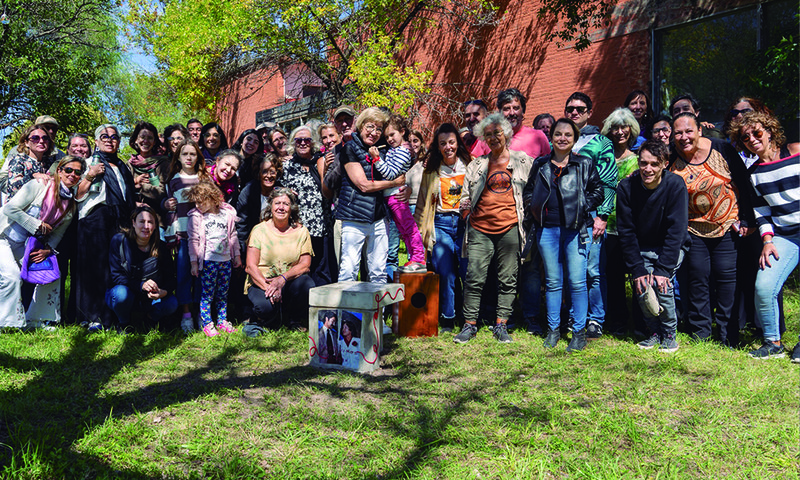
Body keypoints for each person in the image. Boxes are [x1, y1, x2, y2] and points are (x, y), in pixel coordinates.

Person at [670, 112, 754, 345]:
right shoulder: (670, 157)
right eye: (678, 132)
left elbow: (744, 184)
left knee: (727, 280)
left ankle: (729, 334)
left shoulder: (722, 149)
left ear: (699, 130)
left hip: (727, 226)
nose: (684, 137)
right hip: (693, 229)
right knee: (697, 279)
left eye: (689, 131)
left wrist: (748, 221)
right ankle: (700, 333)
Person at [523, 118, 602, 352]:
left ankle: (578, 332)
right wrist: (534, 206)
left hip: (575, 229)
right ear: (552, 137)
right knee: (553, 283)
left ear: (574, 138)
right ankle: (554, 330)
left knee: (577, 282)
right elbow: (529, 190)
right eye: (558, 134)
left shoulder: (583, 163)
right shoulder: (541, 164)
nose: (562, 138)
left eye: (568, 134)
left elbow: (598, 190)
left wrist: (582, 205)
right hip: (547, 230)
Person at [453, 113, 534, 344]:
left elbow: (532, 191)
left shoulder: (523, 161)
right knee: (474, 277)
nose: (493, 138)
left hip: (510, 227)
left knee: (508, 278)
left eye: (497, 133)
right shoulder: (477, 164)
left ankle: (501, 324)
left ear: (506, 133)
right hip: (480, 228)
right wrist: (466, 212)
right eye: (487, 135)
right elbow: (466, 196)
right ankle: (469, 324)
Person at [728, 111, 800, 360]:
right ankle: (773, 343)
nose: (752, 139)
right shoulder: (754, 173)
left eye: (757, 132)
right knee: (764, 285)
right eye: (746, 137)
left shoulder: (796, 152)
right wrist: (767, 242)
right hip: (784, 234)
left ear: (770, 132)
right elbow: (762, 212)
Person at [616, 140, 690, 352]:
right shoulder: (626, 188)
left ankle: (669, 334)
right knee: (642, 286)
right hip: (641, 247)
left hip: (670, 247)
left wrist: (663, 269)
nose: (648, 169)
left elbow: (677, 230)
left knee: (661, 285)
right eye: (643, 163)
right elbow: (626, 231)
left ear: (665, 164)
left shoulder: (675, 185)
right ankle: (654, 331)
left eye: (654, 164)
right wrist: (638, 268)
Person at [0, 156, 84, 329]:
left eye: (77, 172)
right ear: (59, 170)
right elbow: (10, 208)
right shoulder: (39, 186)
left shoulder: (71, 204)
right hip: (4, 238)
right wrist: (36, 225)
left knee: (51, 275)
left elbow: (57, 234)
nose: (72, 175)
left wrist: (48, 250)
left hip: (27, 245)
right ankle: (7, 323)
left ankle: (37, 320)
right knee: (12, 276)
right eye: (68, 170)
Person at [564, 91, 618, 339]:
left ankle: (596, 319)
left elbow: (609, 182)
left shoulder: (601, 142)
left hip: (592, 213)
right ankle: (576, 317)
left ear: (589, 112)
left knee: (593, 269)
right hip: (564, 215)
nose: (574, 112)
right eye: (570, 109)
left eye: (579, 109)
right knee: (571, 269)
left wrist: (603, 216)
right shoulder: (562, 139)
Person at [74, 124, 136, 331]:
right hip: (95, 219)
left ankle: (115, 316)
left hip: (120, 218)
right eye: (104, 136)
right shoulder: (86, 163)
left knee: (116, 267)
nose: (110, 140)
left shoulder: (123, 166)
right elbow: (76, 194)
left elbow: (130, 196)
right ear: (97, 142)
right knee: (94, 268)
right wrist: (90, 175)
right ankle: (93, 317)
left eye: (114, 136)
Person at [337, 108, 404, 285]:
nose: (374, 133)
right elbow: (363, 185)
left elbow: (400, 170)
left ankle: (376, 313)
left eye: (379, 129)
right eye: (370, 127)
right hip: (354, 216)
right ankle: (346, 312)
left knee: (378, 271)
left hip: (380, 217)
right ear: (360, 126)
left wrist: (406, 187)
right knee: (349, 269)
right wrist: (393, 183)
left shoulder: (384, 149)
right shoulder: (350, 148)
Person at [414, 123, 471, 328]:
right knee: (445, 272)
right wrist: (421, 235)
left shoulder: (469, 165)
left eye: (451, 142)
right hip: (441, 224)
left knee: (467, 272)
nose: (448, 147)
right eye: (443, 143)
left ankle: (469, 318)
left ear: (458, 143)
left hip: (465, 225)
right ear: (438, 147)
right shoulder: (431, 172)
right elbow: (421, 205)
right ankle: (448, 316)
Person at [243, 188, 316, 335]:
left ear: (292, 208)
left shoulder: (301, 232)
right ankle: (261, 318)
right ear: (271, 206)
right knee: (265, 308)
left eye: (286, 204)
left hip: (288, 282)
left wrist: (282, 279)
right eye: (277, 203)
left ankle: (293, 319)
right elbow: (250, 267)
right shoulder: (259, 230)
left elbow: (305, 265)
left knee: (307, 284)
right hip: (261, 282)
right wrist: (269, 289)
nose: (281, 207)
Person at [599, 107, 641, 336]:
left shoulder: (638, 161)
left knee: (635, 276)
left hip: (631, 227)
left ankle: (640, 322)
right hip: (606, 226)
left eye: (624, 127)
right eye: (615, 127)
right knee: (613, 277)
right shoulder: (602, 160)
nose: (620, 132)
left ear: (631, 129)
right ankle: (616, 322)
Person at [279, 125, 337, 285]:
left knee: (323, 271)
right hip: (297, 228)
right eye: (299, 140)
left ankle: (325, 307)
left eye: (307, 140)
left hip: (322, 226)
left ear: (312, 143)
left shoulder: (320, 161)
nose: (303, 143)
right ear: (293, 143)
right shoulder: (286, 167)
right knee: (301, 271)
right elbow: (274, 188)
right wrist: (285, 190)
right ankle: (303, 307)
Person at [106, 205, 178, 333]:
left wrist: (164, 291)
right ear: (133, 223)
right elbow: (116, 276)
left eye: (150, 222)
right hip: (125, 292)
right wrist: (141, 285)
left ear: (155, 226)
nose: (146, 226)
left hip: (151, 297)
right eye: (141, 221)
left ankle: (150, 319)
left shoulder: (161, 247)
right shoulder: (119, 241)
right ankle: (124, 323)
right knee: (121, 295)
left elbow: (171, 278)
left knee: (172, 303)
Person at [369, 114, 426, 273]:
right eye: (387, 137)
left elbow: (390, 173)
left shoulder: (402, 151)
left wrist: (377, 159)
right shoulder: (395, 150)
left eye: (392, 135)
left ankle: (419, 257)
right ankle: (413, 258)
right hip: (391, 196)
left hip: (396, 196)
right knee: (403, 230)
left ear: (402, 132)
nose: (389, 139)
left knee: (409, 227)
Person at [164, 139, 209, 332]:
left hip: (204, 237)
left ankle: (201, 313)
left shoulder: (205, 178)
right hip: (183, 236)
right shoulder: (173, 180)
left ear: (198, 156)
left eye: (192, 154)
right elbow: (170, 211)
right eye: (185, 154)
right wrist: (172, 236)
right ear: (178, 158)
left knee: (201, 276)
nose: (189, 158)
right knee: (183, 276)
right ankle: (186, 314)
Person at [186, 181, 241, 337]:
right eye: (196, 202)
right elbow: (193, 240)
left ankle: (222, 321)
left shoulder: (227, 214)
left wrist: (236, 255)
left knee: (223, 293)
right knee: (207, 294)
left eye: (202, 201)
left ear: (212, 198)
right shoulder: (196, 217)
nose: (199, 205)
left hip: (225, 260)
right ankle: (207, 322)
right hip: (209, 262)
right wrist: (194, 262)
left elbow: (233, 235)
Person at [128, 122, 170, 218]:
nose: (146, 141)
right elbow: (123, 192)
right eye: (142, 137)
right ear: (136, 140)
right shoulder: (129, 164)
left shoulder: (163, 163)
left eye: (150, 138)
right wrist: (135, 182)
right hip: (134, 219)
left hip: (157, 219)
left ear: (155, 141)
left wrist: (142, 186)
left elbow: (163, 193)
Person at [497, 88, 551, 158]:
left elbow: (549, 166)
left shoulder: (538, 137)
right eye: (507, 109)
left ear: (523, 111)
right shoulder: (489, 138)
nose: (512, 113)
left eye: (516, 108)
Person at [5, 124, 54, 199]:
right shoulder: (18, 160)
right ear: (26, 142)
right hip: (18, 208)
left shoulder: (50, 163)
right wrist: (32, 176)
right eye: (35, 138)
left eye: (45, 138)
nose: (41, 141)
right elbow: (13, 188)